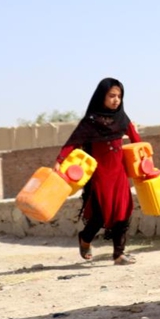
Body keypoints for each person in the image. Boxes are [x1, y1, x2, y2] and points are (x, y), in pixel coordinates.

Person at [56, 77, 142, 266]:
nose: (116, 100)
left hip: (119, 172)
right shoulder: (91, 121)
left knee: (123, 211)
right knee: (101, 213)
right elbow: (72, 143)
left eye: (119, 96)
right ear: (101, 96)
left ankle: (119, 254)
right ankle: (85, 239)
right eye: (111, 95)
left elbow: (136, 139)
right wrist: (59, 162)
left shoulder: (122, 118)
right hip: (100, 173)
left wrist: (145, 159)